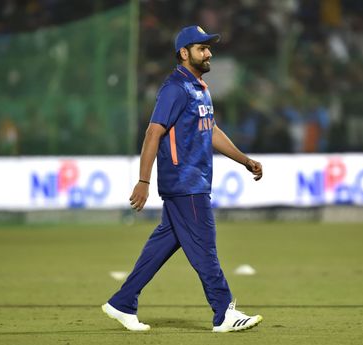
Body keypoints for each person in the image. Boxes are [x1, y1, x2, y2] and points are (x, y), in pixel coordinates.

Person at [102, 25, 264, 333]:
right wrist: (143, 181)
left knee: (161, 246)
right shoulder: (175, 88)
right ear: (184, 53)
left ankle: (122, 302)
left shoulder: (199, 87)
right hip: (185, 183)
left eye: (208, 47)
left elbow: (210, 130)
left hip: (194, 181)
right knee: (205, 248)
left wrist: (244, 160)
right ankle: (224, 312)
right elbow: (153, 132)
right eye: (202, 48)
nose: (209, 52)